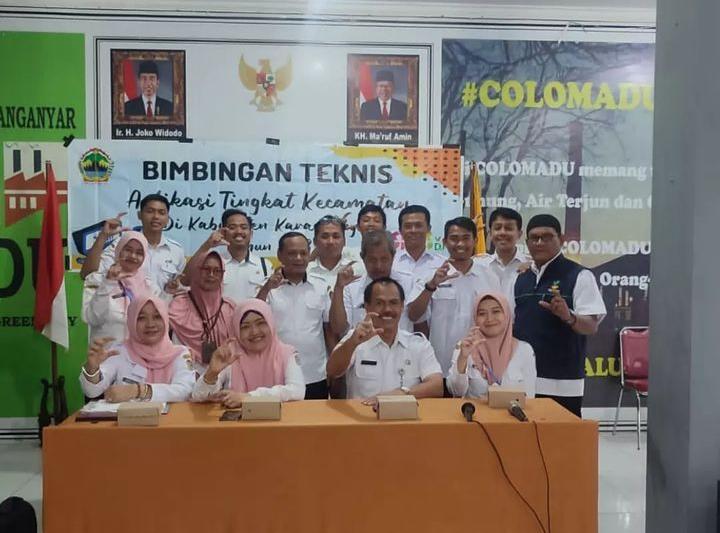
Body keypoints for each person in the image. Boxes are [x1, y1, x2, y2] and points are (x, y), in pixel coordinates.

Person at [513, 214, 606, 417]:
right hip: (522, 380)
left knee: (563, 437)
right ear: (526, 242)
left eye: (547, 237)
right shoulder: (520, 278)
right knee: (522, 436)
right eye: (534, 238)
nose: (539, 242)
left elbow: (591, 326)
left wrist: (568, 316)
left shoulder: (579, 275)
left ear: (561, 239)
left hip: (563, 383)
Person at [406, 217, 502, 379]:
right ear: (444, 242)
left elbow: (500, 320)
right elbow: (413, 315)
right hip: (439, 366)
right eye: (454, 238)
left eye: (466, 238)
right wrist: (431, 286)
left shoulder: (490, 276)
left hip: (480, 367)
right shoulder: (431, 275)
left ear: (475, 240)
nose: (460, 244)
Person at [327, 278, 443, 402]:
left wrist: (401, 394)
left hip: (404, 414)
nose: (387, 309)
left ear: (402, 306)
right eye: (379, 303)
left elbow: (437, 386)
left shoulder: (417, 344)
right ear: (367, 306)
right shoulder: (355, 338)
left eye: (393, 303)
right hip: (363, 413)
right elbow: (333, 371)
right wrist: (352, 343)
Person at [256, 232, 333, 399]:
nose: (298, 258)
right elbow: (254, 317)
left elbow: (328, 329)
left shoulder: (321, 286)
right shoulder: (267, 286)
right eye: (292, 253)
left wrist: (332, 369)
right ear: (280, 255)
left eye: (303, 253)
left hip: (315, 374)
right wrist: (267, 288)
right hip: (278, 374)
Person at [79, 295, 194, 403]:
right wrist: (92, 369)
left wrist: (139, 391)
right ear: (131, 321)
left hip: (172, 417)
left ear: (165, 320)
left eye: (157, 317)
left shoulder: (180, 353)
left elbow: (185, 390)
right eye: (141, 318)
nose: (150, 324)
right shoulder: (120, 351)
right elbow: (92, 392)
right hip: (127, 418)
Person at [191, 300, 306, 405]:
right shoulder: (231, 354)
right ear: (237, 330)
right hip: (237, 421)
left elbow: (297, 391)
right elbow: (198, 396)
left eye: (260, 323)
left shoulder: (286, 353)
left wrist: (249, 397)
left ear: (271, 324)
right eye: (245, 327)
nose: (254, 332)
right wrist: (212, 373)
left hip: (281, 420)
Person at [79, 194, 185, 297]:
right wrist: (103, 236)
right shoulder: (122, 244)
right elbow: (87, 274)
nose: (156, 216)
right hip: (125, 308)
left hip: (160, 308)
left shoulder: (176, 251)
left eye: (161, 213)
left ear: (167, 219)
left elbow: (179, 288)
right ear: (139, 215)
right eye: (150, 211)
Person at [447, 292, 536, 398]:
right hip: (474, 409)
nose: (489, 319)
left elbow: (529, 397)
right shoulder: (465, 346)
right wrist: (463, 357)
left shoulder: (524, 350)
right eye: (482, 314)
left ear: (507, 315)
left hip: (512, 409)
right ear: (475, 318)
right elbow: (456, 391)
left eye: (496, 311)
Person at [330, 230, 418, 336]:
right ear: (362, 257)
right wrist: (339, 288)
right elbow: (338, 328)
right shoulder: (350, 288)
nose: (378, 266)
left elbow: (420, 323)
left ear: (393, 256)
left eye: (384, 259)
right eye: (372, 260)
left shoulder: (409, 282)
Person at [168, 250, 236, 372]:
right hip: (183, 373)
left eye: (217, 271)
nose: (211, 274)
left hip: (223, 374)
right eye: (206, 269)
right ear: (196, 271)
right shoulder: (179, 304)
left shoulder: (229, 309)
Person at [82, 231, 151, 341]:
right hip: (104, 350)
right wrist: (108, 283)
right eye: (128, 250)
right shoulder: (97, 280)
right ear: (119, 250)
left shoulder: (150, 287)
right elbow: (91, 318)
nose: (133, 256)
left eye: (139, 253)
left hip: (138, 351)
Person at [207, 209, 271, 304]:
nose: (238, 231)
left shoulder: (264, 265)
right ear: (223, 233)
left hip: (253, 314)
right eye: (232, 227)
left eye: (243, 227)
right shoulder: (214, 262)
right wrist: (207, 245)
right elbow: (187, 283)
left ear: (251, 234)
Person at [479, 208, 530, 301]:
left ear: (519, 234)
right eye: (497, 228)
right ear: (490, 233)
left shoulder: (531, 266)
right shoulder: (478, 265)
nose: (502, 232)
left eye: (509, 228)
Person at [307, 215, 361, 292]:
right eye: (325, 237)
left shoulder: (357, 270)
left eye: (336, 237)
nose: (330, 242)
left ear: (344, 241)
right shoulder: (305, 272)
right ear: (315, 241)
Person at [393, 205, 445, 282]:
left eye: (418, 226)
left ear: (428, 228)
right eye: (408, 226)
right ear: (400, 230)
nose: (413, 230)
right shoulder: (391, 263)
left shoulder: (442, 263)